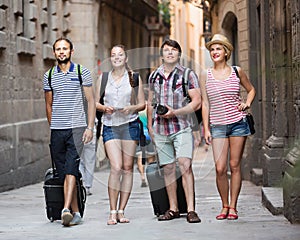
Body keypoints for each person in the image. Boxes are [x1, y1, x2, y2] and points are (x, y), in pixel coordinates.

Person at [201, 34, 256, 220]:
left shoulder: (236, 71)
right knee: (220, 168)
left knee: (235, 165)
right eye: (212, 49)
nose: (215, 52)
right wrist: (206, 129)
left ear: (226, 52)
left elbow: (251, 90)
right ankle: (224, 205)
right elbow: (205, 103)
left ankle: (233, 206)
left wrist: (247, 103)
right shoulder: (205, 74)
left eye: (218, 48)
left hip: (238, 123)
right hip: (217, 126)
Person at [147, 39, 201, 223]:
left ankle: (191, 210)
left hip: (182, 127)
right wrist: (149, 126)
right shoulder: (154, 76)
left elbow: (197, 102)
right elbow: (150, 102)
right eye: (166, 50)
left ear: (179, 54)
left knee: (185, 166)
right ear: (162, 54)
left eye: (173, 50)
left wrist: (175, 112)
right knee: (168, 169)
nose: (170, 53)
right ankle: (173, 208)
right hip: (160, 129)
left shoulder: (188, 75)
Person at [43, 37, 95, 226]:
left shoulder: (82, 72)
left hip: (77, 128)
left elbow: (91, 101)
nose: (62, 52)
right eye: (58, 49)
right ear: (54, 53)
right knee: (63, 172)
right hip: (57, 130)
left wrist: (90, 127)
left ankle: (65, 208)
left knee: (72, 167)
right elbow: (48, 105)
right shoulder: (48, 76)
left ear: (71, 51)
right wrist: (53, 124)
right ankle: (76, 212)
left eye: (65, 48)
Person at [95, 44, 145, 225]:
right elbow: (94, 103)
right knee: (115, 167)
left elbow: (142, 104)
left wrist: (130, 108)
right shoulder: (103, 78)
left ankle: (122, 210)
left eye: (120, 54)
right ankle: (112, 210)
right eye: (113, 55)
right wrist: (104, 108)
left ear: (126, 58)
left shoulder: (134, 78)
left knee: (127, 167)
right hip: (110, 126)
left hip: (129, 125)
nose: (116, 57)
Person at [136, 89, 156, 187]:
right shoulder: (150, 107)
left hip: (139, 135)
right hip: (150, 135)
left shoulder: (138, 108)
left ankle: (142, 176)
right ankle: (149, 177)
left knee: (140, 157)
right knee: (151, 158)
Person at [79, 124, 96, 196]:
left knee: (79, 160)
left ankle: (81, 183)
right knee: (90, 161)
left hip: (77, 130)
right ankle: (87, 186)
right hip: (90, 130)